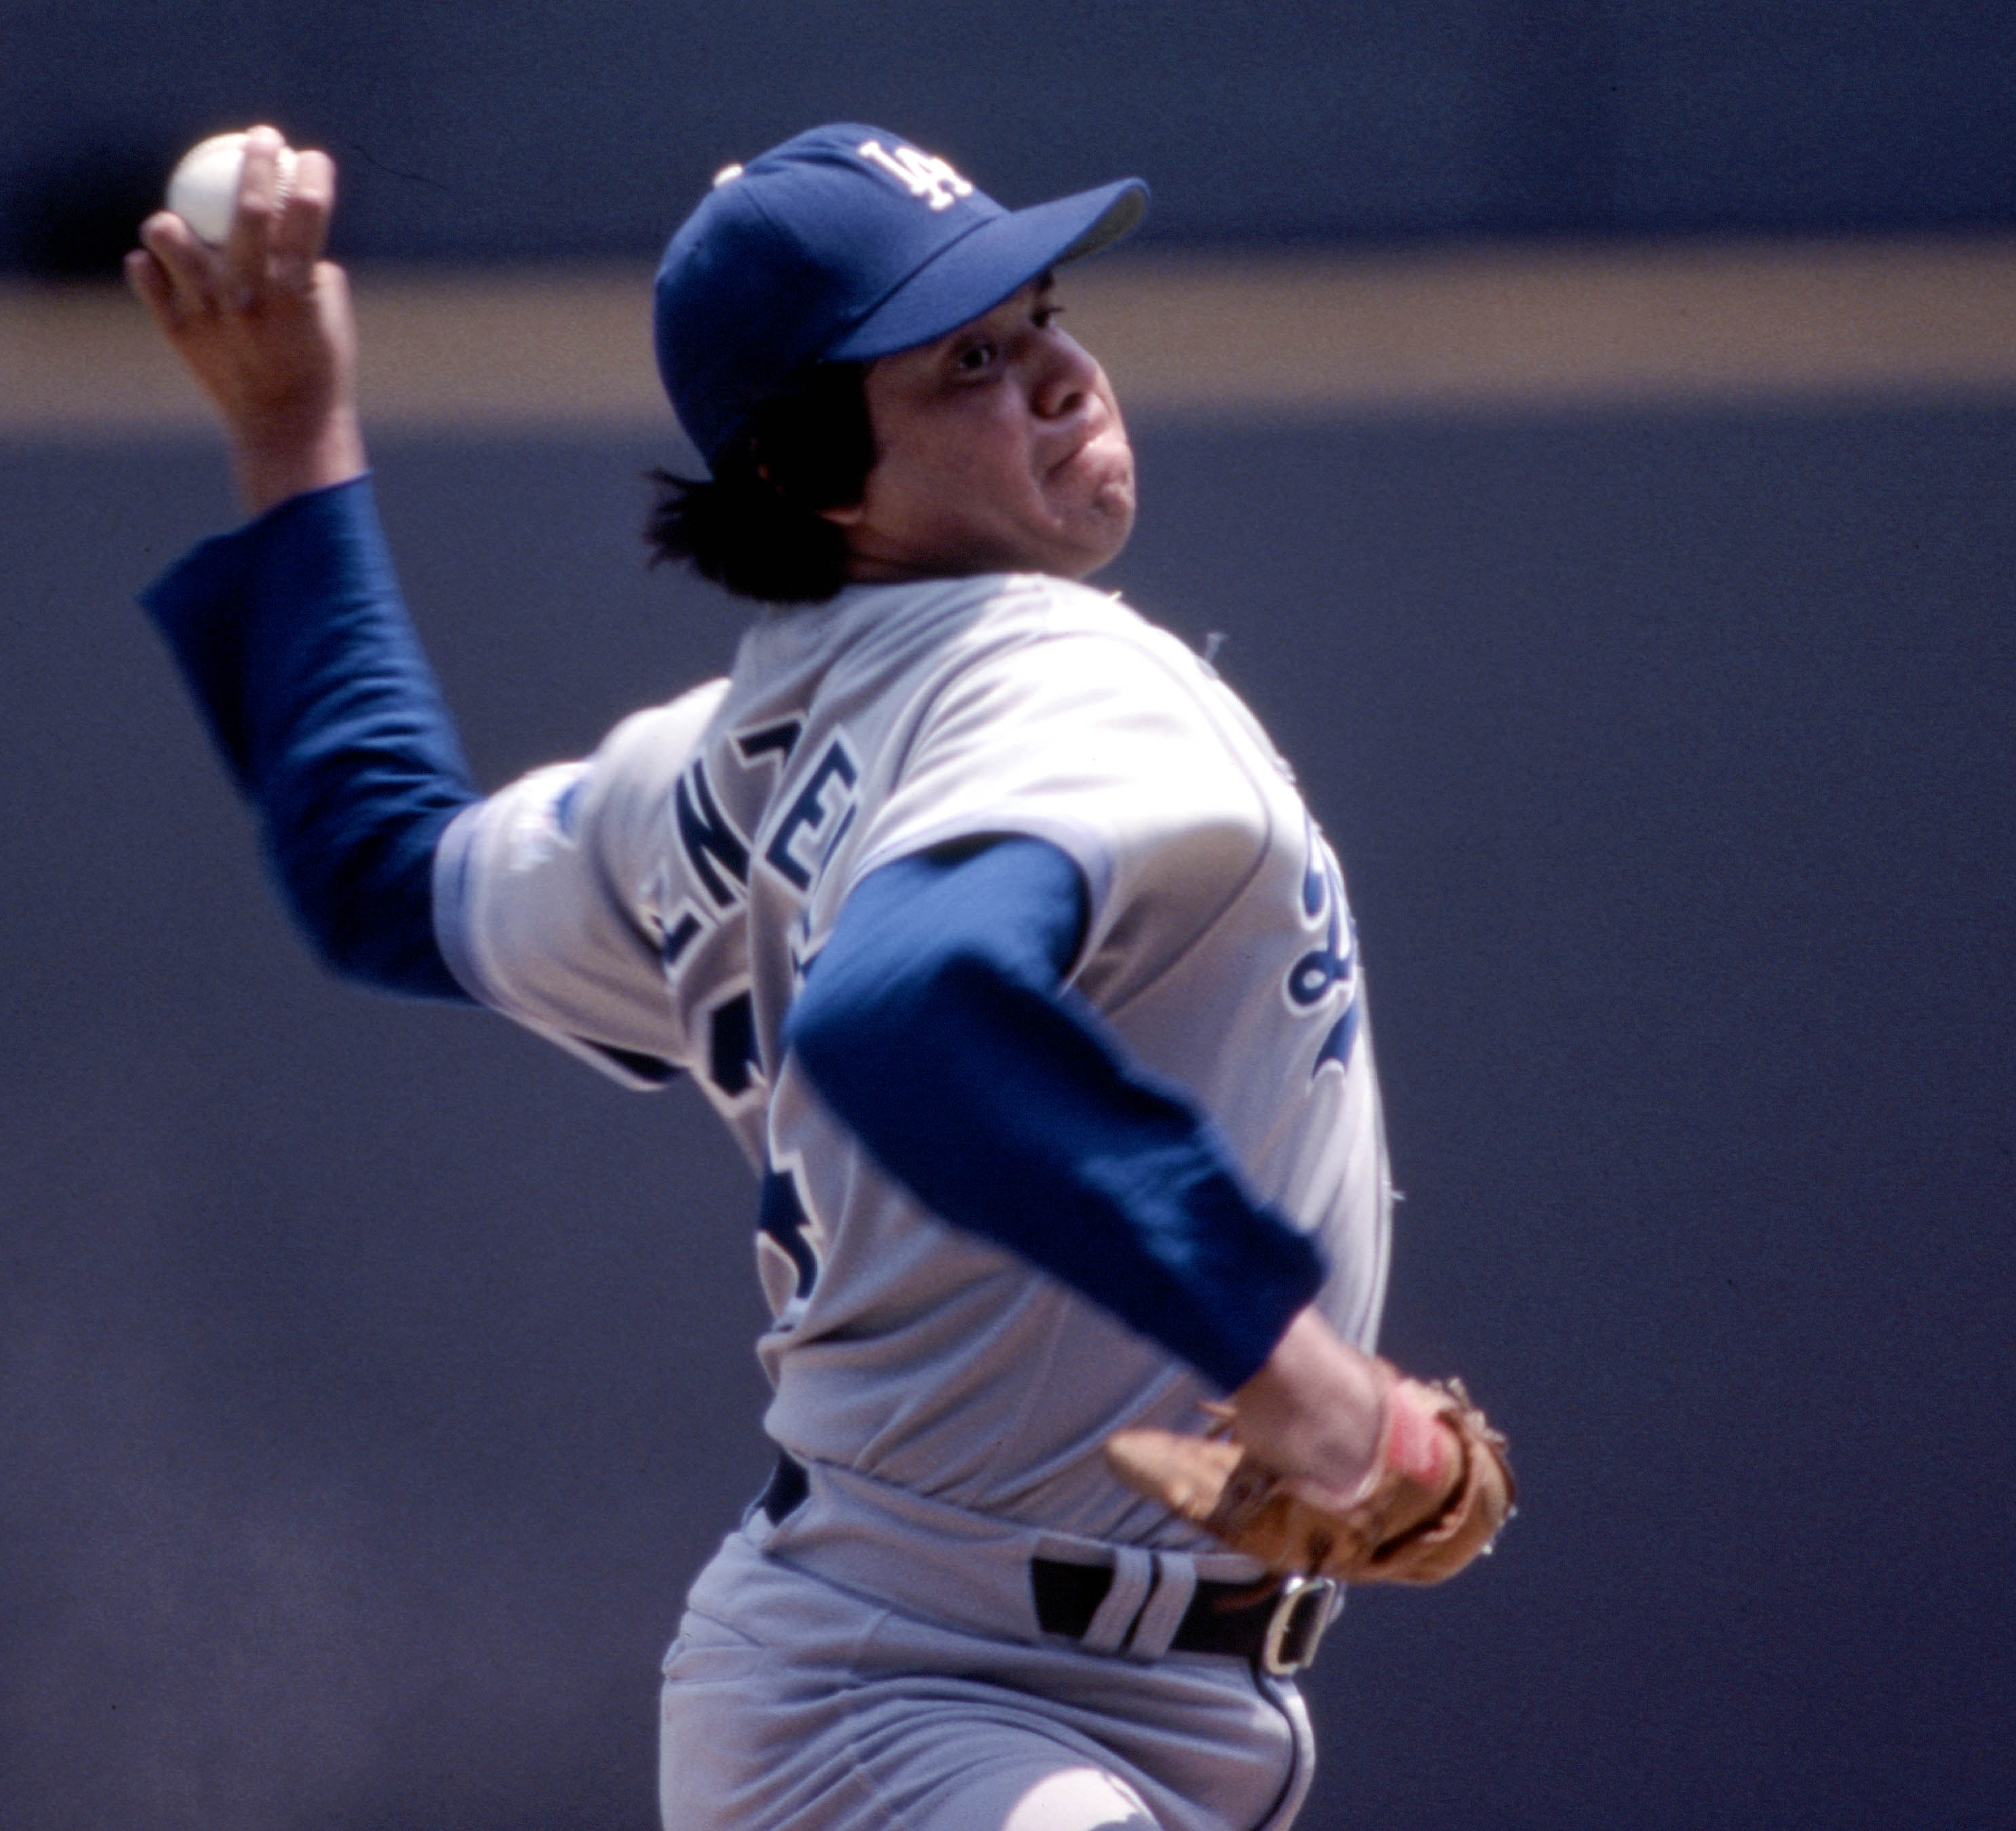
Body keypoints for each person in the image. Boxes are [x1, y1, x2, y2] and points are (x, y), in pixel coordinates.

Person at [126, 122, 1504, 1831]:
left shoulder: (710, 769)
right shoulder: (1048, 672)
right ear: (811, 479)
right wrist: (1303, 1376)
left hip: (972, 1695)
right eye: (972, 362)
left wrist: (288, 427)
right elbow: (900, 1009)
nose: (1064, 374)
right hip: (931, 1711)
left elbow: (377, 869)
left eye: (1044, 311)